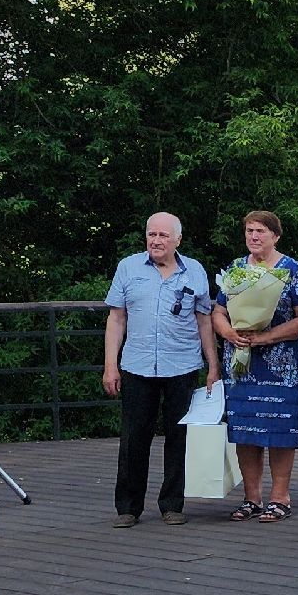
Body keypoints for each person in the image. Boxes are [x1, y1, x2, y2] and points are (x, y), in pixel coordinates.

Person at [102, 212, 219, 528]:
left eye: (163, 236)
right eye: (151, 234)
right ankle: (128, 507)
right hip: (137, 366)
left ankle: (172, 504)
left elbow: (204, 319)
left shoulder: (194, 270)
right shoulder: (128, 267)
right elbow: (116, 319)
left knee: (180, 437)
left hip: (182, 365)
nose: (155, 240)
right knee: (133, 438)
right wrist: (110, 365)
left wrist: (213, 365)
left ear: (177, 240)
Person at [212, 210, 298, 523]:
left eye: (261, 231)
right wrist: (230, 333)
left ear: (275, 236)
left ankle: (280, 497)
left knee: (280, 429)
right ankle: (251, 498)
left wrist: (266, 337)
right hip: (242, 365)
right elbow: (218, 312)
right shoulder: (234, 269)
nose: (254, 237)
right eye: (249, 231)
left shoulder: (291, 269)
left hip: (279, 366)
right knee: (246, 430)